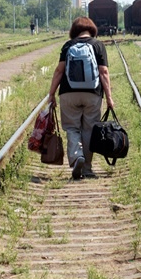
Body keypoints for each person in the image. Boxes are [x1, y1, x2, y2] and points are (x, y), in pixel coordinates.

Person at [48, 17, 115, 180]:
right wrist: (109, 98)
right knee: (89, 130)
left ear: (74, 31)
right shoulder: (98, 45)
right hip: (92, 94)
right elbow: (103, 72)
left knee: (71, 128)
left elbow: (59, 71)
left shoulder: (68, 46)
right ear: (92, 30)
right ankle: (87, 168)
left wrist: (51, 94)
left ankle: (77, 156)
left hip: (68, 93)